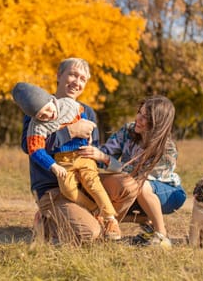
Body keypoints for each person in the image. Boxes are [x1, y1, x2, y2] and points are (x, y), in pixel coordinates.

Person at [12, 82, 121, 240]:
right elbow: (35, 150)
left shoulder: (68, 105)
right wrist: (53, 166)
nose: (49, 116)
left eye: (49, 109)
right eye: (42, 116)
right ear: (34, 118)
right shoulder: (36, 127)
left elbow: (82, 115)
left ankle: (111, 218)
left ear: (51, 100)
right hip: (62, 161)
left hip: (82, 155)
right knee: (68, 190)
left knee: (93, 183)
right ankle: (93, 211)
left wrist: (89, 129)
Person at [78, 95, 187, 247]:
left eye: (145, 118)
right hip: (133, 189)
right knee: (115, 189)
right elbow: (105, 154)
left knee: (140, 186)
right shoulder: (128, 130)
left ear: (158, 123)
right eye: (139, 113)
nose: (138, 119)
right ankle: (139, 221)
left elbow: (140, 174)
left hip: (167, 193)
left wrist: (107, 160)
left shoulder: (168, 149)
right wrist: (90, 149)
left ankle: (162, 235)